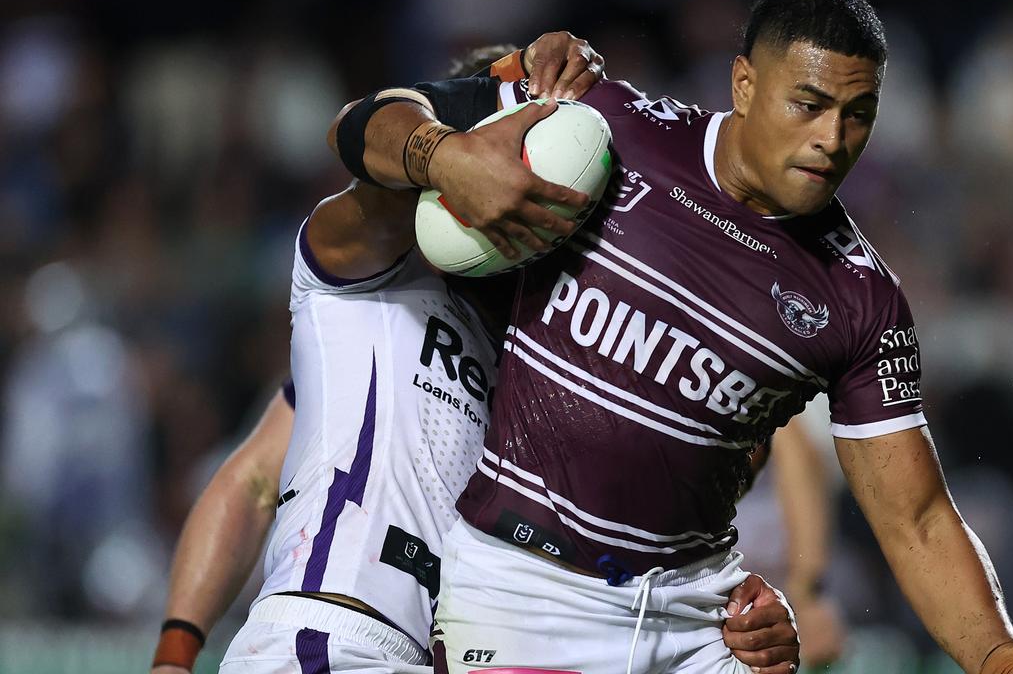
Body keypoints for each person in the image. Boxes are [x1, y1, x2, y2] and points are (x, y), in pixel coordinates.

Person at [332, 0, 1013, 674]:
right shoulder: (605, 129)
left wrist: (1004, 662)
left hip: (706, 622)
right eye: (808, 105)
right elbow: (364, 123)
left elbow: (914, 518)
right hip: (525, 600)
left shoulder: (862, 299)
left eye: (858, 114)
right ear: (743, 83)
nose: (832, 139)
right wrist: (440, 155)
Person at [150, 34, 800, 674]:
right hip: (333, 638)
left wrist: (726, 614)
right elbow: (253, 480)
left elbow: (679, 498)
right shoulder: (372, 279)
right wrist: (174, 656)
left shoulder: (553, 365)